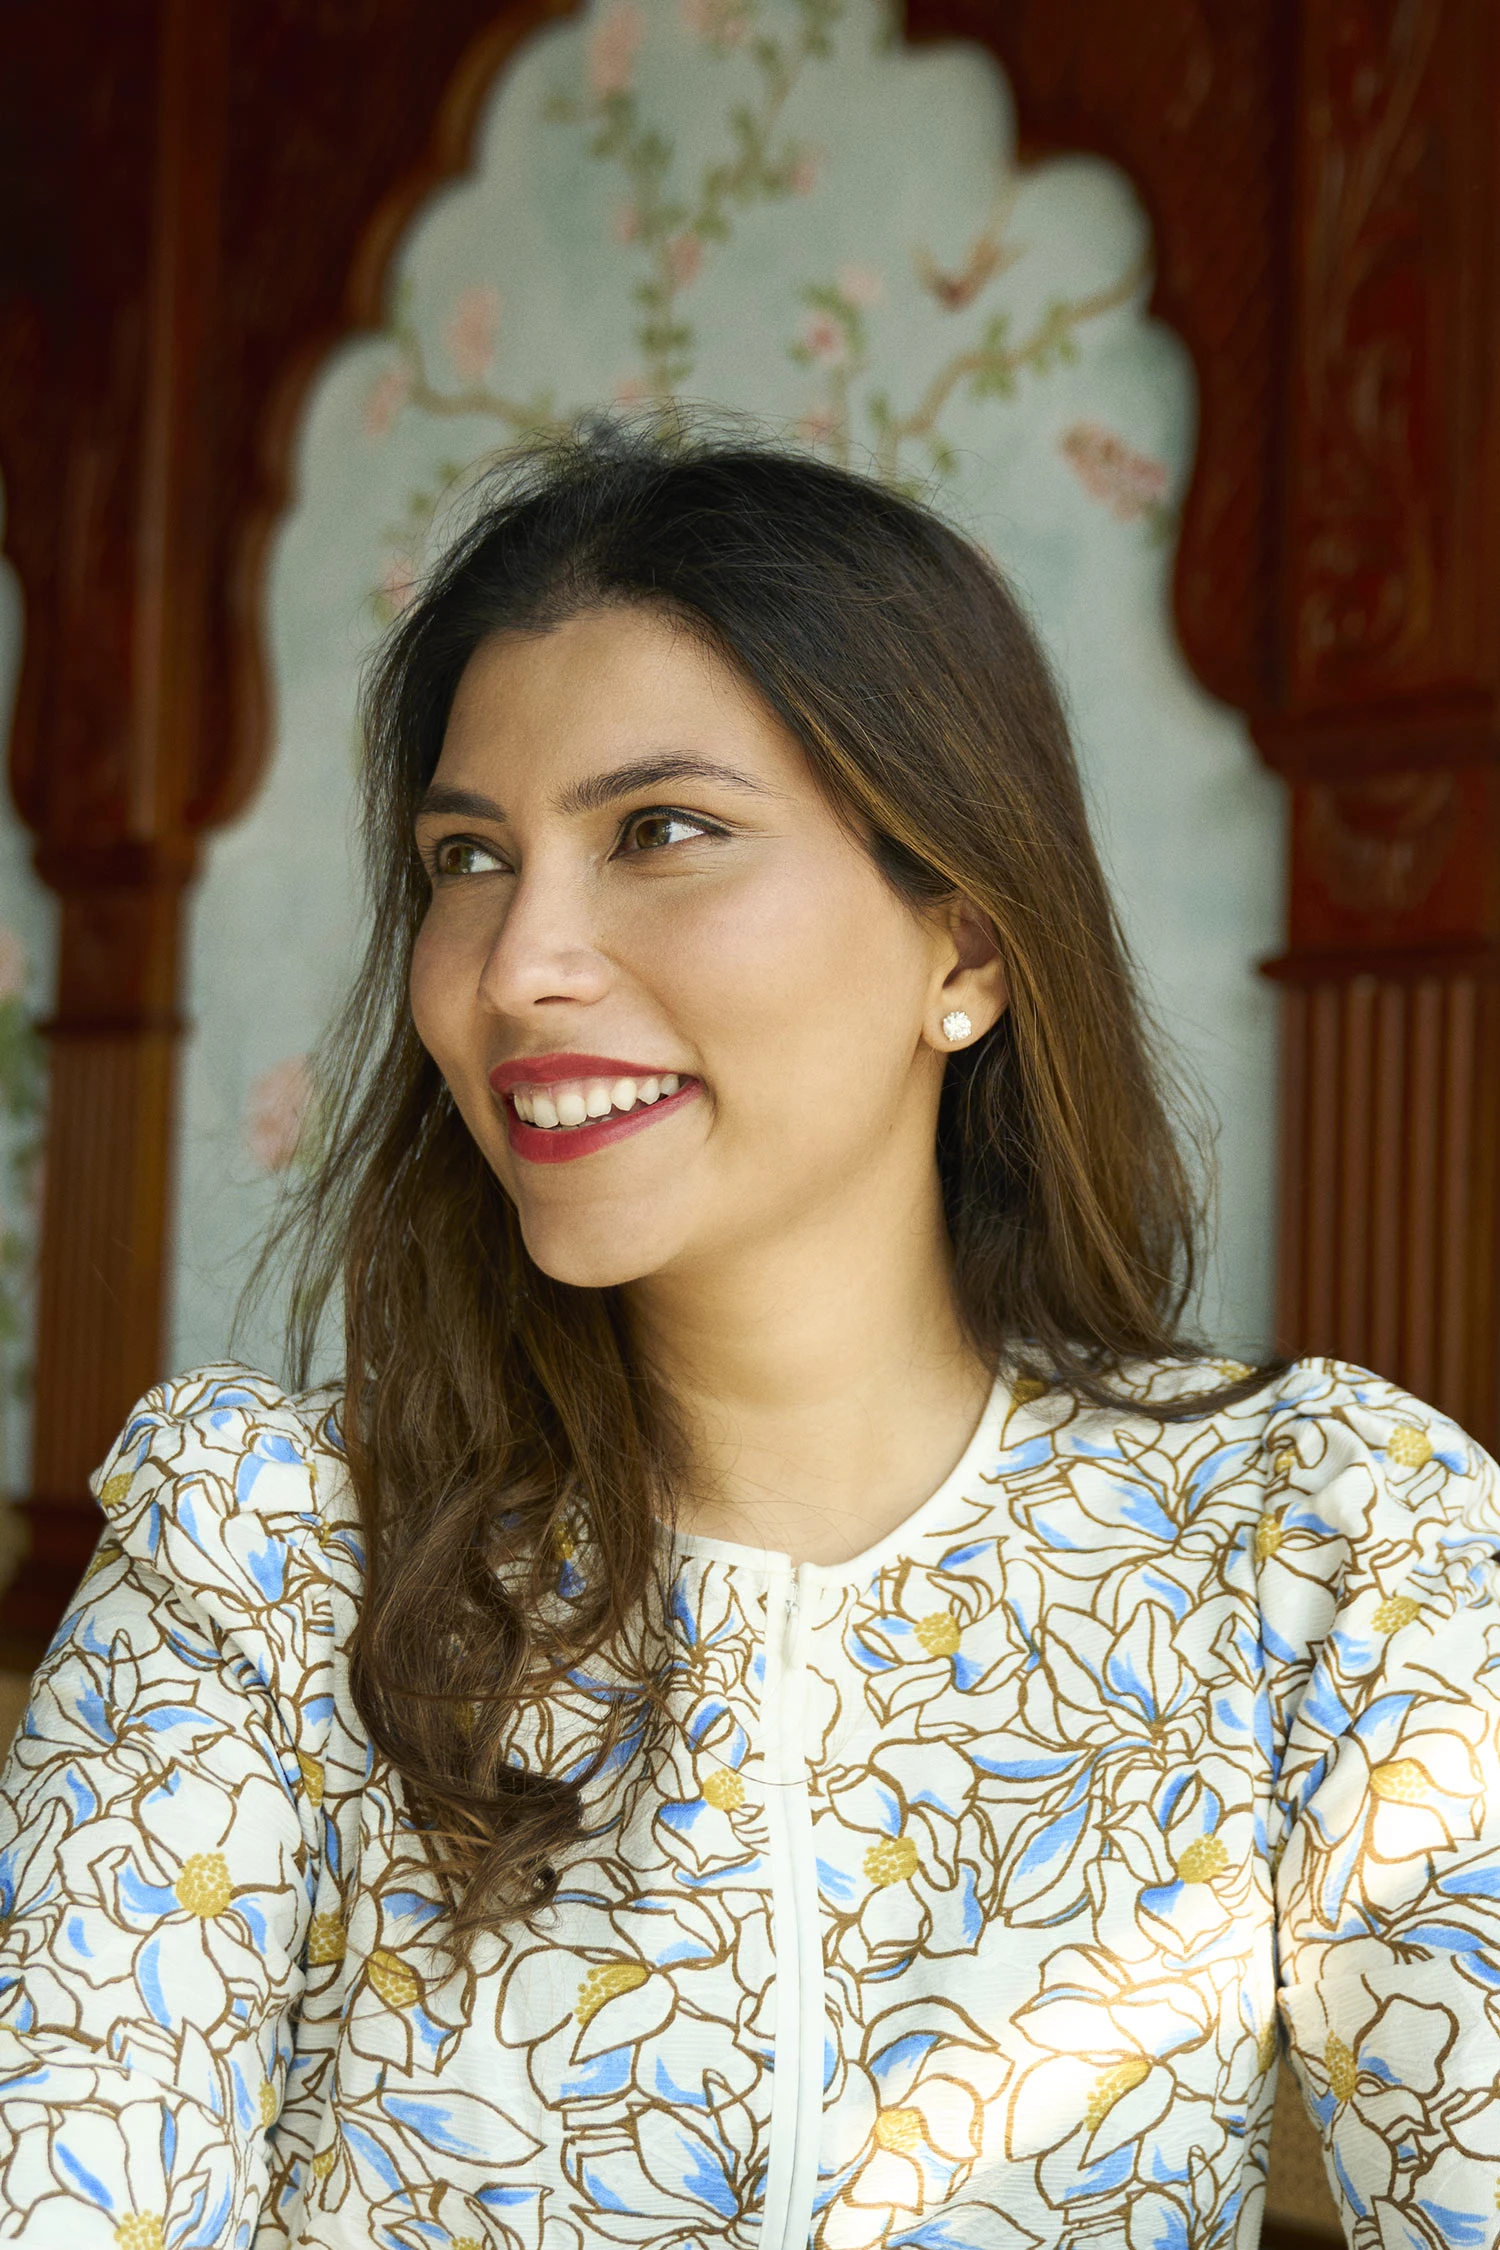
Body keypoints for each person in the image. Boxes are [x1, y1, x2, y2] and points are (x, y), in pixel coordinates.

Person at [1, 425, 1497, 2250]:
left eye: (662, 832)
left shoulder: (1319, 1542)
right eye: (468, 856)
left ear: (964, 941)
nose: (520, 960)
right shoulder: (261, 1554)